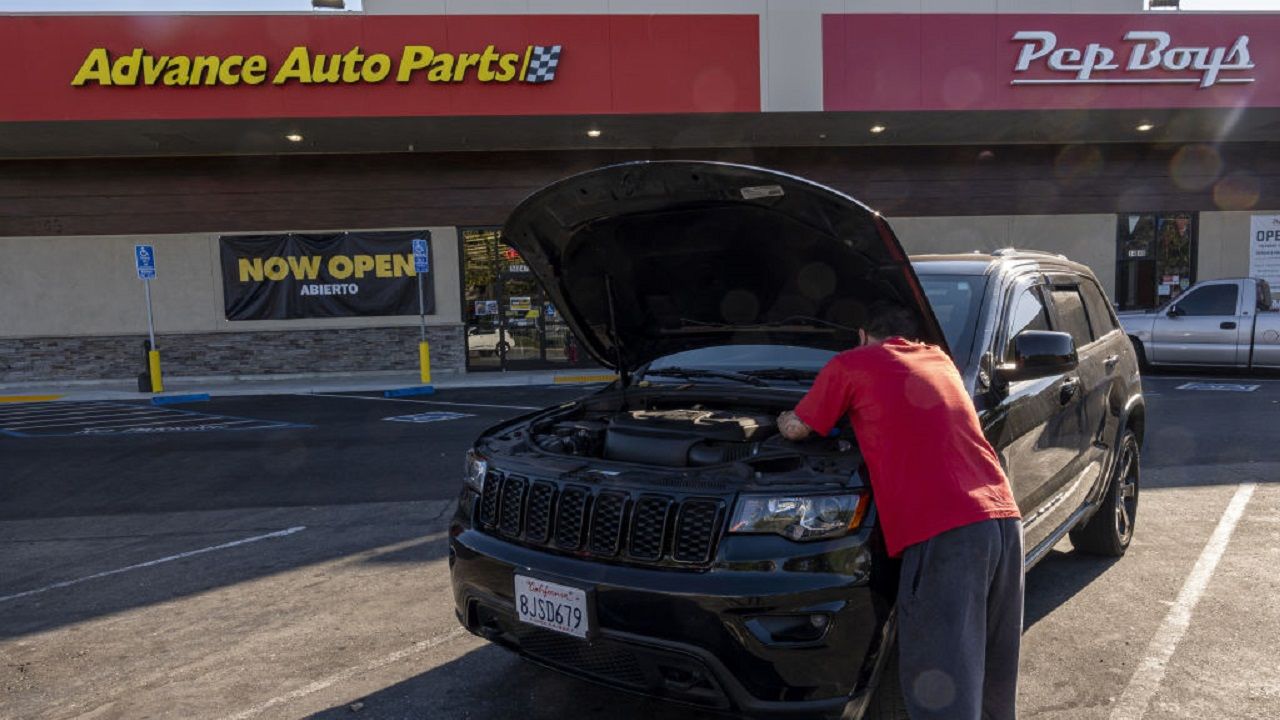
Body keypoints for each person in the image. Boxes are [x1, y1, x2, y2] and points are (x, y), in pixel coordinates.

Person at [776, 301, 1023, 720]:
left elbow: (799, 428)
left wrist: (781, 418)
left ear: (861, 335)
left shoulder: (851, 364)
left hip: (945, 533)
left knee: (942, 682)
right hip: (1002, 519)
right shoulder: (939, 359)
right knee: (991, 675)